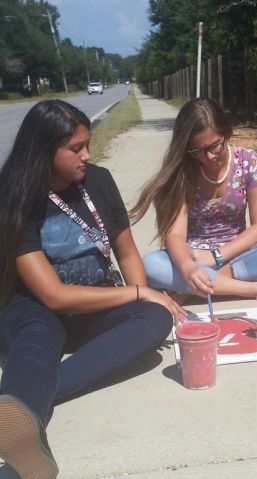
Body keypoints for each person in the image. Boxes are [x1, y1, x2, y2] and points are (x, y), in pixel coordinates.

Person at [0, 100, 186, 478]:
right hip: (36, 308)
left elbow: (127, 252)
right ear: (44, 151)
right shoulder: (15, 195)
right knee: (34, 345)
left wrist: (146, 296)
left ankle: (28, 405)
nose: (86, 155)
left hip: (94, 302)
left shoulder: (97, 180)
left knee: (155, 317)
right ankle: (22, 433)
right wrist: (139, 293)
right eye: (75, 148)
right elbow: (53, 295)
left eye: (87, 145)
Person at [130, 98, 257, 299]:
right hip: (194, 258)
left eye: (214, 146)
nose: (209, 156)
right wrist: (188, 268)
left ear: (226, 134)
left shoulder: (248, 162)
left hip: (238, 254)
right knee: (151, 265)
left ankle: (195, 287)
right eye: (198, 151)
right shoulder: (183, 172)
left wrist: (215, 256)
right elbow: (175, 235)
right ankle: (252, 289)